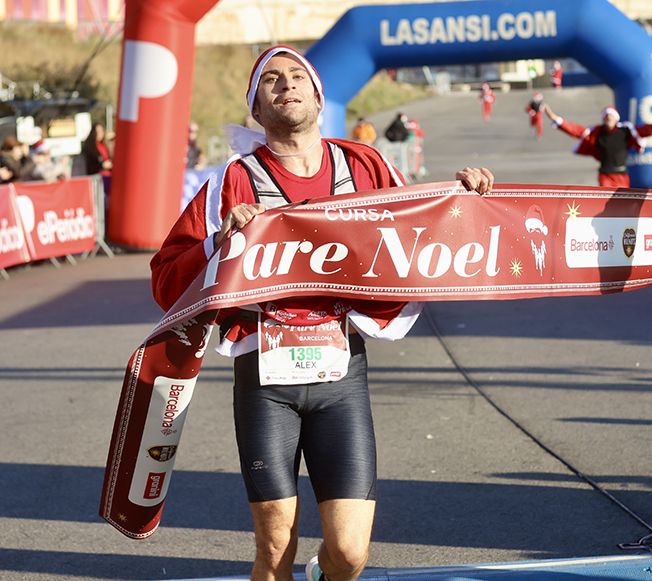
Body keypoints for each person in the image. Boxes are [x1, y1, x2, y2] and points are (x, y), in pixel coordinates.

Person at [149, 45, 494, 581]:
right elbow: (167, 275)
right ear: (256, 110)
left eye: (295, 76)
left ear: (317, 94)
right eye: (270, 81)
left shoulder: (363, 164)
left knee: (351, 554)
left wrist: (463, 196)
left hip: (342, 378)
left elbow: (420, 227)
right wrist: (218, 240)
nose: (284, 84)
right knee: (274, 545)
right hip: (264, 381)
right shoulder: (232, 180)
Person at [543, 102, 652, 187]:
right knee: (607, 207)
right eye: (606, 117)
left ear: (616, 118)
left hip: (622, 176)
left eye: (610, 117)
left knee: (623, 207)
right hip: (605, 175)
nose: (608, 119)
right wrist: (555, 119)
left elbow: (646, 130)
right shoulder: (597, 132)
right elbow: (576, 130)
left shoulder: (626, 131)